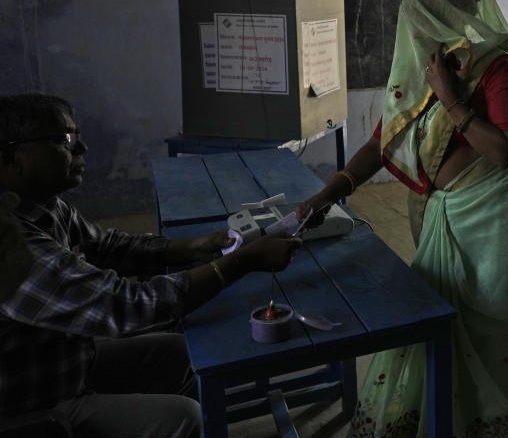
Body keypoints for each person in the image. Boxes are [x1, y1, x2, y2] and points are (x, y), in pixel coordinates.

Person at [297, 0, 508, 437]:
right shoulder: (427, 67)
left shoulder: (495, 66)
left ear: (446, 13)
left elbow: (502, 152)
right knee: (435, 324)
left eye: (420, 14)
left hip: (489, 219)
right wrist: (329, 193)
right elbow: (380, 143)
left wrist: (451, 97)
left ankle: (492, 425)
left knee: (491, 331)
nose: (411, 25)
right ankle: (440, 420)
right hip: (440, 215)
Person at [0, 93, 302, 438]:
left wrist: (193, 246)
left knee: (178, 352)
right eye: (62, 139)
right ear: (11, 157)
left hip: (66, 362)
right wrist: (241, 262)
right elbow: (125, 306)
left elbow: (108, 246)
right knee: (184, 418)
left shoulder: (42, 206)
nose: (81, 147)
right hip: (38, 410)